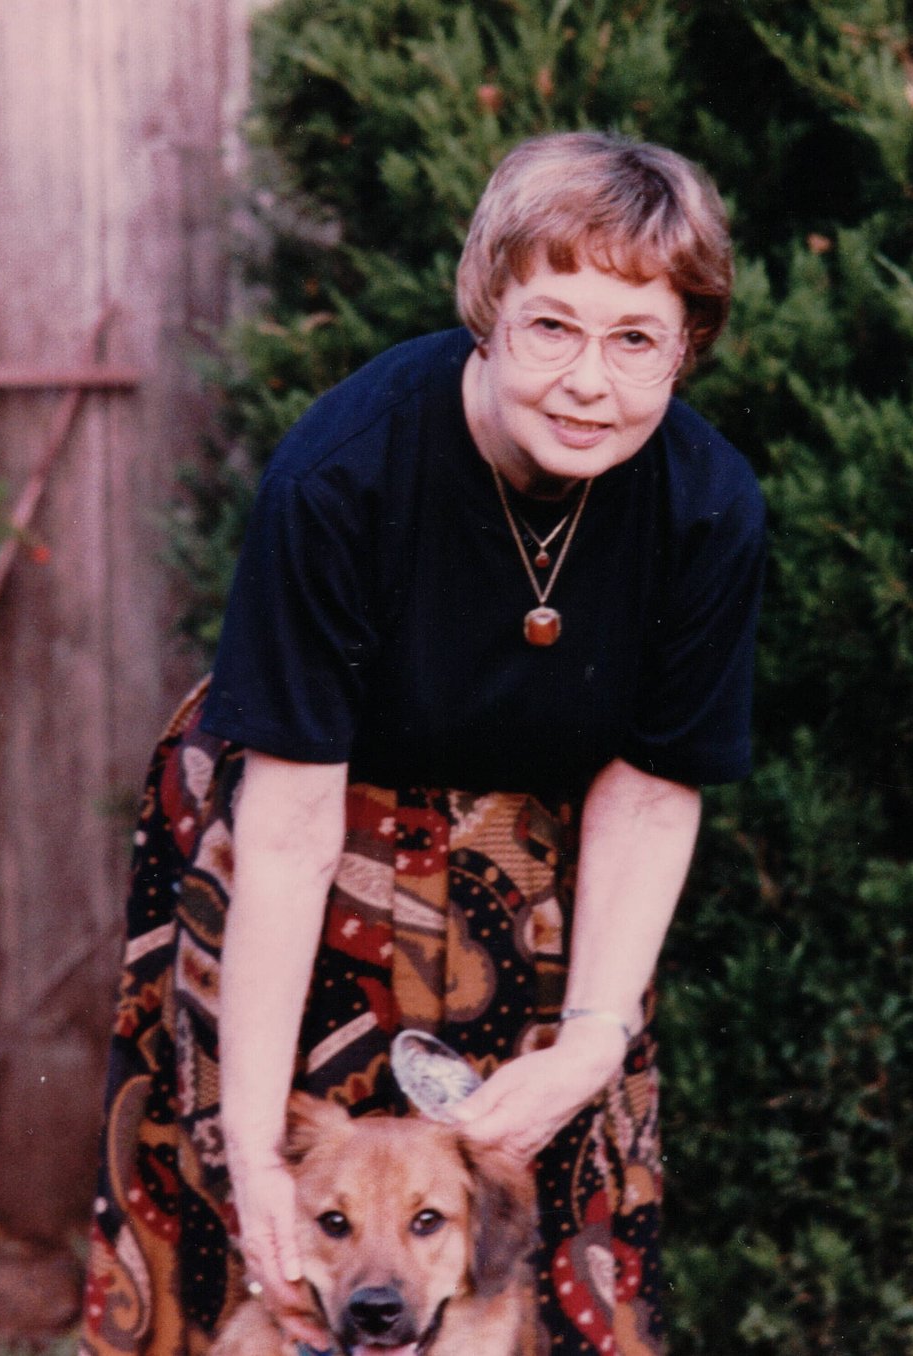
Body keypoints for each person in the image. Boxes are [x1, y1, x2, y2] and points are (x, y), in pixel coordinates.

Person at [80, 131, 765, 1356]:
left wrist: (591, 1039)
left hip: (536, 868)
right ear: (487, 310)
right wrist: (251, 1143)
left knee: (526, 1211)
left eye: (634, 340)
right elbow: (289, 830)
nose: (588, 383)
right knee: (284, 1224)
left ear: (685, 348)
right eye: (552, 327)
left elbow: (653, 789)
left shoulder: (706, 508)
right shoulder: (341, 476)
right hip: (306, 837)